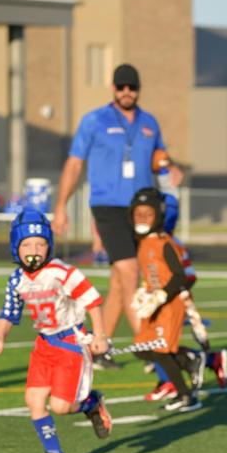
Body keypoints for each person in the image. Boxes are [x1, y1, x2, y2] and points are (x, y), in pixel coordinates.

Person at [52, 63, 184, 363]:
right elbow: (74, 164)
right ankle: (150, 347)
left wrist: (172, 167)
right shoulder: (94, 120)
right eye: (122, 87)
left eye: (132, 87)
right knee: (130, 272)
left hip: (142, 211)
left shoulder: (149, 122)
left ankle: (100, 349)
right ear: (113, 88)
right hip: (107, 207)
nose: (127, 92)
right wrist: (60, 207)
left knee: (119, 281)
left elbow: (160, 158)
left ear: (138, 89)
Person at [0, 210, 113, 453]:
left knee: (60, 406)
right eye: (27, 245)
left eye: (40, 244)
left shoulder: (62, 272)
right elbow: (9, 313)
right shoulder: (17, 279)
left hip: (70, 343)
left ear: (49, 246)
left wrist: (100, 335)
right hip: (44, 345)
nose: (34, 251)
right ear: (16, 247)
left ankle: (91, 404)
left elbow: (92, 300)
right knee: (34, 399)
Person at [143, 192, 227, 401]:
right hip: (158, 301)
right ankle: (210, 360)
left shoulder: (170, 243)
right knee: (151, 341)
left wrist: (169, 295)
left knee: (158, 342)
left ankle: (170, 381)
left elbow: (188, 276)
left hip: (172, 301)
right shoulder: (152, 242)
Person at [128, 188, 203, 412]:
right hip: (154, 305)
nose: (142, 219)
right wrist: (143, 292)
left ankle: (185, 396)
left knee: (161, 351)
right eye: (138, 214)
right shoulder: (142, 243)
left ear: (158, 216)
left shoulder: (164, 243)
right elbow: (151, 275)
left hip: (170, 304)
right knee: (141, 348)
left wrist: (161, 295)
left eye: (148, 214)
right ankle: (189, 360)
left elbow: (180, 276)